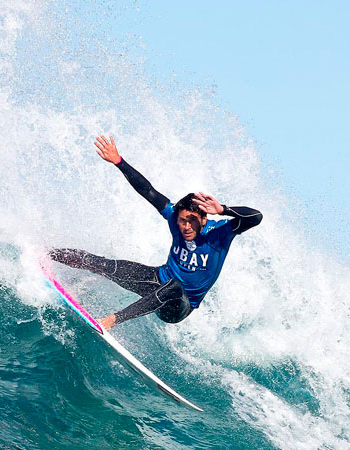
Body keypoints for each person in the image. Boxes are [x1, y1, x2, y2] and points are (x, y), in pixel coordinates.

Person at [50, 135, 262, 331]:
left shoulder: (219, 233)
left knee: (175, 287)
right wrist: (118, 161)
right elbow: (147, 190)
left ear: (204, 219)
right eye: (182, 221)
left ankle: (111, 320)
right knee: (104, 265)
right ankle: (47, 253)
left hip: (179, 306)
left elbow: (255, 217)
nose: (186, 226)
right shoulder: (173, 216)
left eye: (192, 221)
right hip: (156, 280)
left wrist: (223, 209)